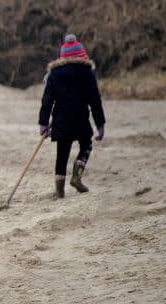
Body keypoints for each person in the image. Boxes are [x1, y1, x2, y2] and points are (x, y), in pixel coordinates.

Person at [39, 34, 105, 199]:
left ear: (62, 57)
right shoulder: (86, 73)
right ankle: (77, 175)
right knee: (86, 145)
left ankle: (59, 190)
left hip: (61, 120)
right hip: (80, 118)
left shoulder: (54, 74)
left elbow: (47, 100)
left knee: (62, 152)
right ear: (81, 55)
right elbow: (95, 99)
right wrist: (100, 123)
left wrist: (43, 123)